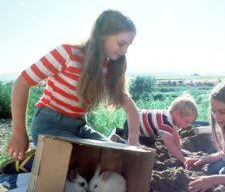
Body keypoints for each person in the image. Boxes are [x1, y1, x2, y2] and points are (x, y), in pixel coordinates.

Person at [6, 9, 141, 162]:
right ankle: (33, 162)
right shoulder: (68, 52)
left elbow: (132, 110)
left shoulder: (109, 68)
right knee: (83, 164)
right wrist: (18, 132)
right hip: (50, 123)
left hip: (80, 127)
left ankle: (47, 158)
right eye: (121, 43)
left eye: (128, 45)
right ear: (103, 35)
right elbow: (22, 82)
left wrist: (133, 140)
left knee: (113, 159)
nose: (124, 51)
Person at [119, 94, 198, 165]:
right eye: (186, 121)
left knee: (151, 143)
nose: (187, 125)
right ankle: (119, 141)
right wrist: (183, 160)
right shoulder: (166, 122)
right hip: (132, 125)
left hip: (145, 130)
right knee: (136, 150)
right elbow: (169, 144)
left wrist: (180, 150)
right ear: (176, 114)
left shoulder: (167, 117)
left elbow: (175, 135)